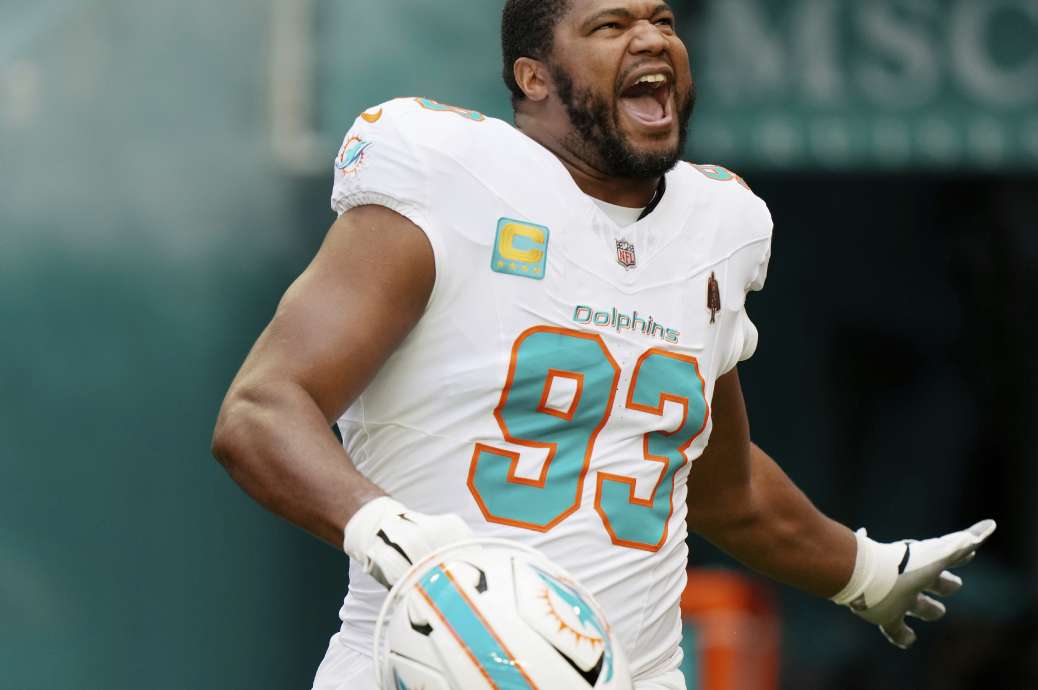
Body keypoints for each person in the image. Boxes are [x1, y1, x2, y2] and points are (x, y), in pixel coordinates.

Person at [211, 1, 996, 688]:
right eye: (612, 25)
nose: (652, 39)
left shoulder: (714, 229)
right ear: (534, 77)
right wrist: (394, 535)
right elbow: (261, 408)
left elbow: (723, 485)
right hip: (428, 668)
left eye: (662, 19)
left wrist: (863, 573)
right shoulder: (448, 184)